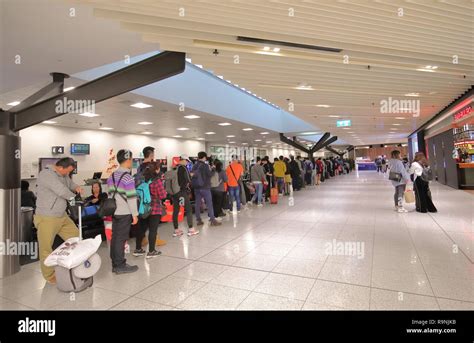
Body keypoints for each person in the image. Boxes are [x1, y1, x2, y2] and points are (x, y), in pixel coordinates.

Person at [34, 157, 82, 283]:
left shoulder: (64, 175)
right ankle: (49, 276)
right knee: (46, 248)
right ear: (60, 167)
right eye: (67, 171)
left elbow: (70, 184)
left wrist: (77, 187)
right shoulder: (46, 174)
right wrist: (74, 198)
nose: (68, 174)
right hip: (47, 217)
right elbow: (61, 191)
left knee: (76, 238)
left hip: (62, 215)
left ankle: (68, 263)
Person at [107, 149, 139, 274]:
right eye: (131, 159)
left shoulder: (112, 175)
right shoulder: (128, 178)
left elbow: (109, 194)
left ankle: (115, 263)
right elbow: (131, 198)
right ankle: (120, 265)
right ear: (128, 160)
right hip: (125, 212)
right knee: (121, 239)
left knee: (115, 238)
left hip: (114, 211)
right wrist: (135, 215)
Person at [133, 162, 167, 259]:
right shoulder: (157, 181)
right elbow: (162, 195)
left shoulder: (142, 180)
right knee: (153, 230)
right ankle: (151, 251)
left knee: (141, 229)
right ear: (156, 170)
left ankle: (138, 249)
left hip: (143, 208)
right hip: (154, 209)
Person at [136, 146, 166, 247]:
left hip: (142, 197)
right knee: (153, 221)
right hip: (153, 196)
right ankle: (155, 240)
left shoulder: (139, 167)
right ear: (151, 154)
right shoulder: (151, 166)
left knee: (143, 220)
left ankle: (143, 239)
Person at [192, 151, 221, 226]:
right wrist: (213, 169)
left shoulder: (194, 165)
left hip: (197, 187)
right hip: (205, 187)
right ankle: (212, 220)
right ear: (204, 157)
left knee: (197, 204)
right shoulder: (205, 165)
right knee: (209, 204)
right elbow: (210, 174)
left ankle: (198, 220)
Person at [172, 155, 199, 237]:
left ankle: (176, 230)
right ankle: (191, 229)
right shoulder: (183, 168)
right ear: (183, 160)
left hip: (174, 193)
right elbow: (188, 180)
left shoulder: (174, 168)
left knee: (176, 211)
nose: (187, 163)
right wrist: (192, 175)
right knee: (188, 209)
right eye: (187, 161)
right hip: (182, 192)